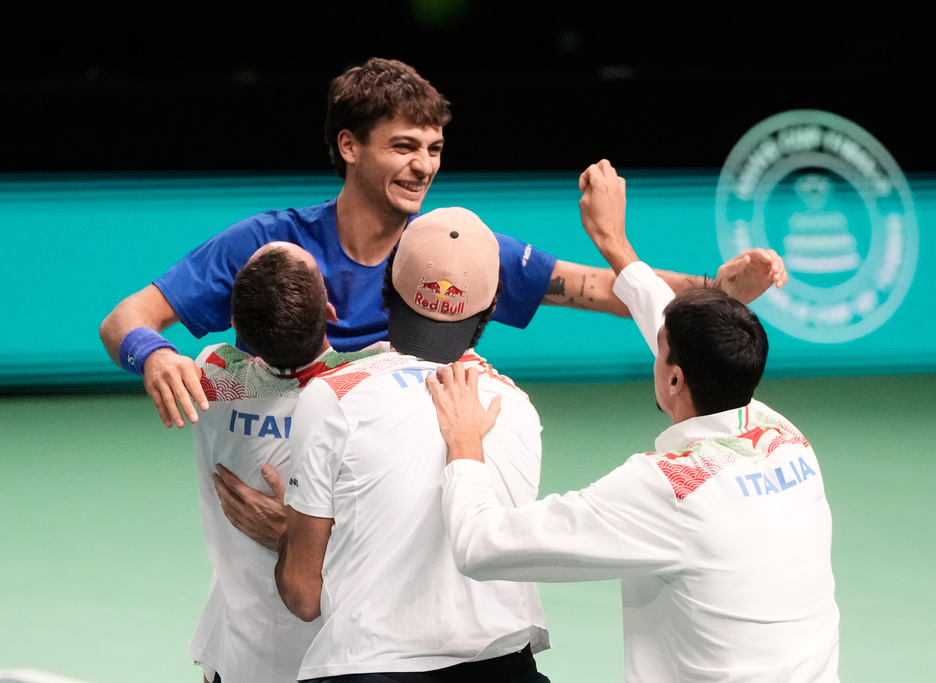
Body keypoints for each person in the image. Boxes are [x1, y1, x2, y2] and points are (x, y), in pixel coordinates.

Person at [98, 56, 782, 431]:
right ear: (348, 145)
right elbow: (125, 318)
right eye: (403, 146)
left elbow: (600, 288)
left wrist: (716, 290)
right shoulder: (272, 246)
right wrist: (151, 353)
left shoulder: (454, 249)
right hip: (284, 472)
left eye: (433, 148)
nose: (423, 166)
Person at [428, 162, 839, 682]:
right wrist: (615, 245)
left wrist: (466, 445)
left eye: (660, 350)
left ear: (675, 379)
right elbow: (671, 327)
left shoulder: (669, 489)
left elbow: (481, 545)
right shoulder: (786, 437)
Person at [275, 207, 550, 682]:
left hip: (368, 668)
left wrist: (284, 534)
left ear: (387, 288)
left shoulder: (333, 395)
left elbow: (303, 594)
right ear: (490, 308)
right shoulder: (518, 407)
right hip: (509, 665)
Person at [187, 241, 386, 683]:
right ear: (331, 311)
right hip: (334, 658)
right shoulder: (372, 387)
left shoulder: (209, 377)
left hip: (237, 660)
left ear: (236, 324)